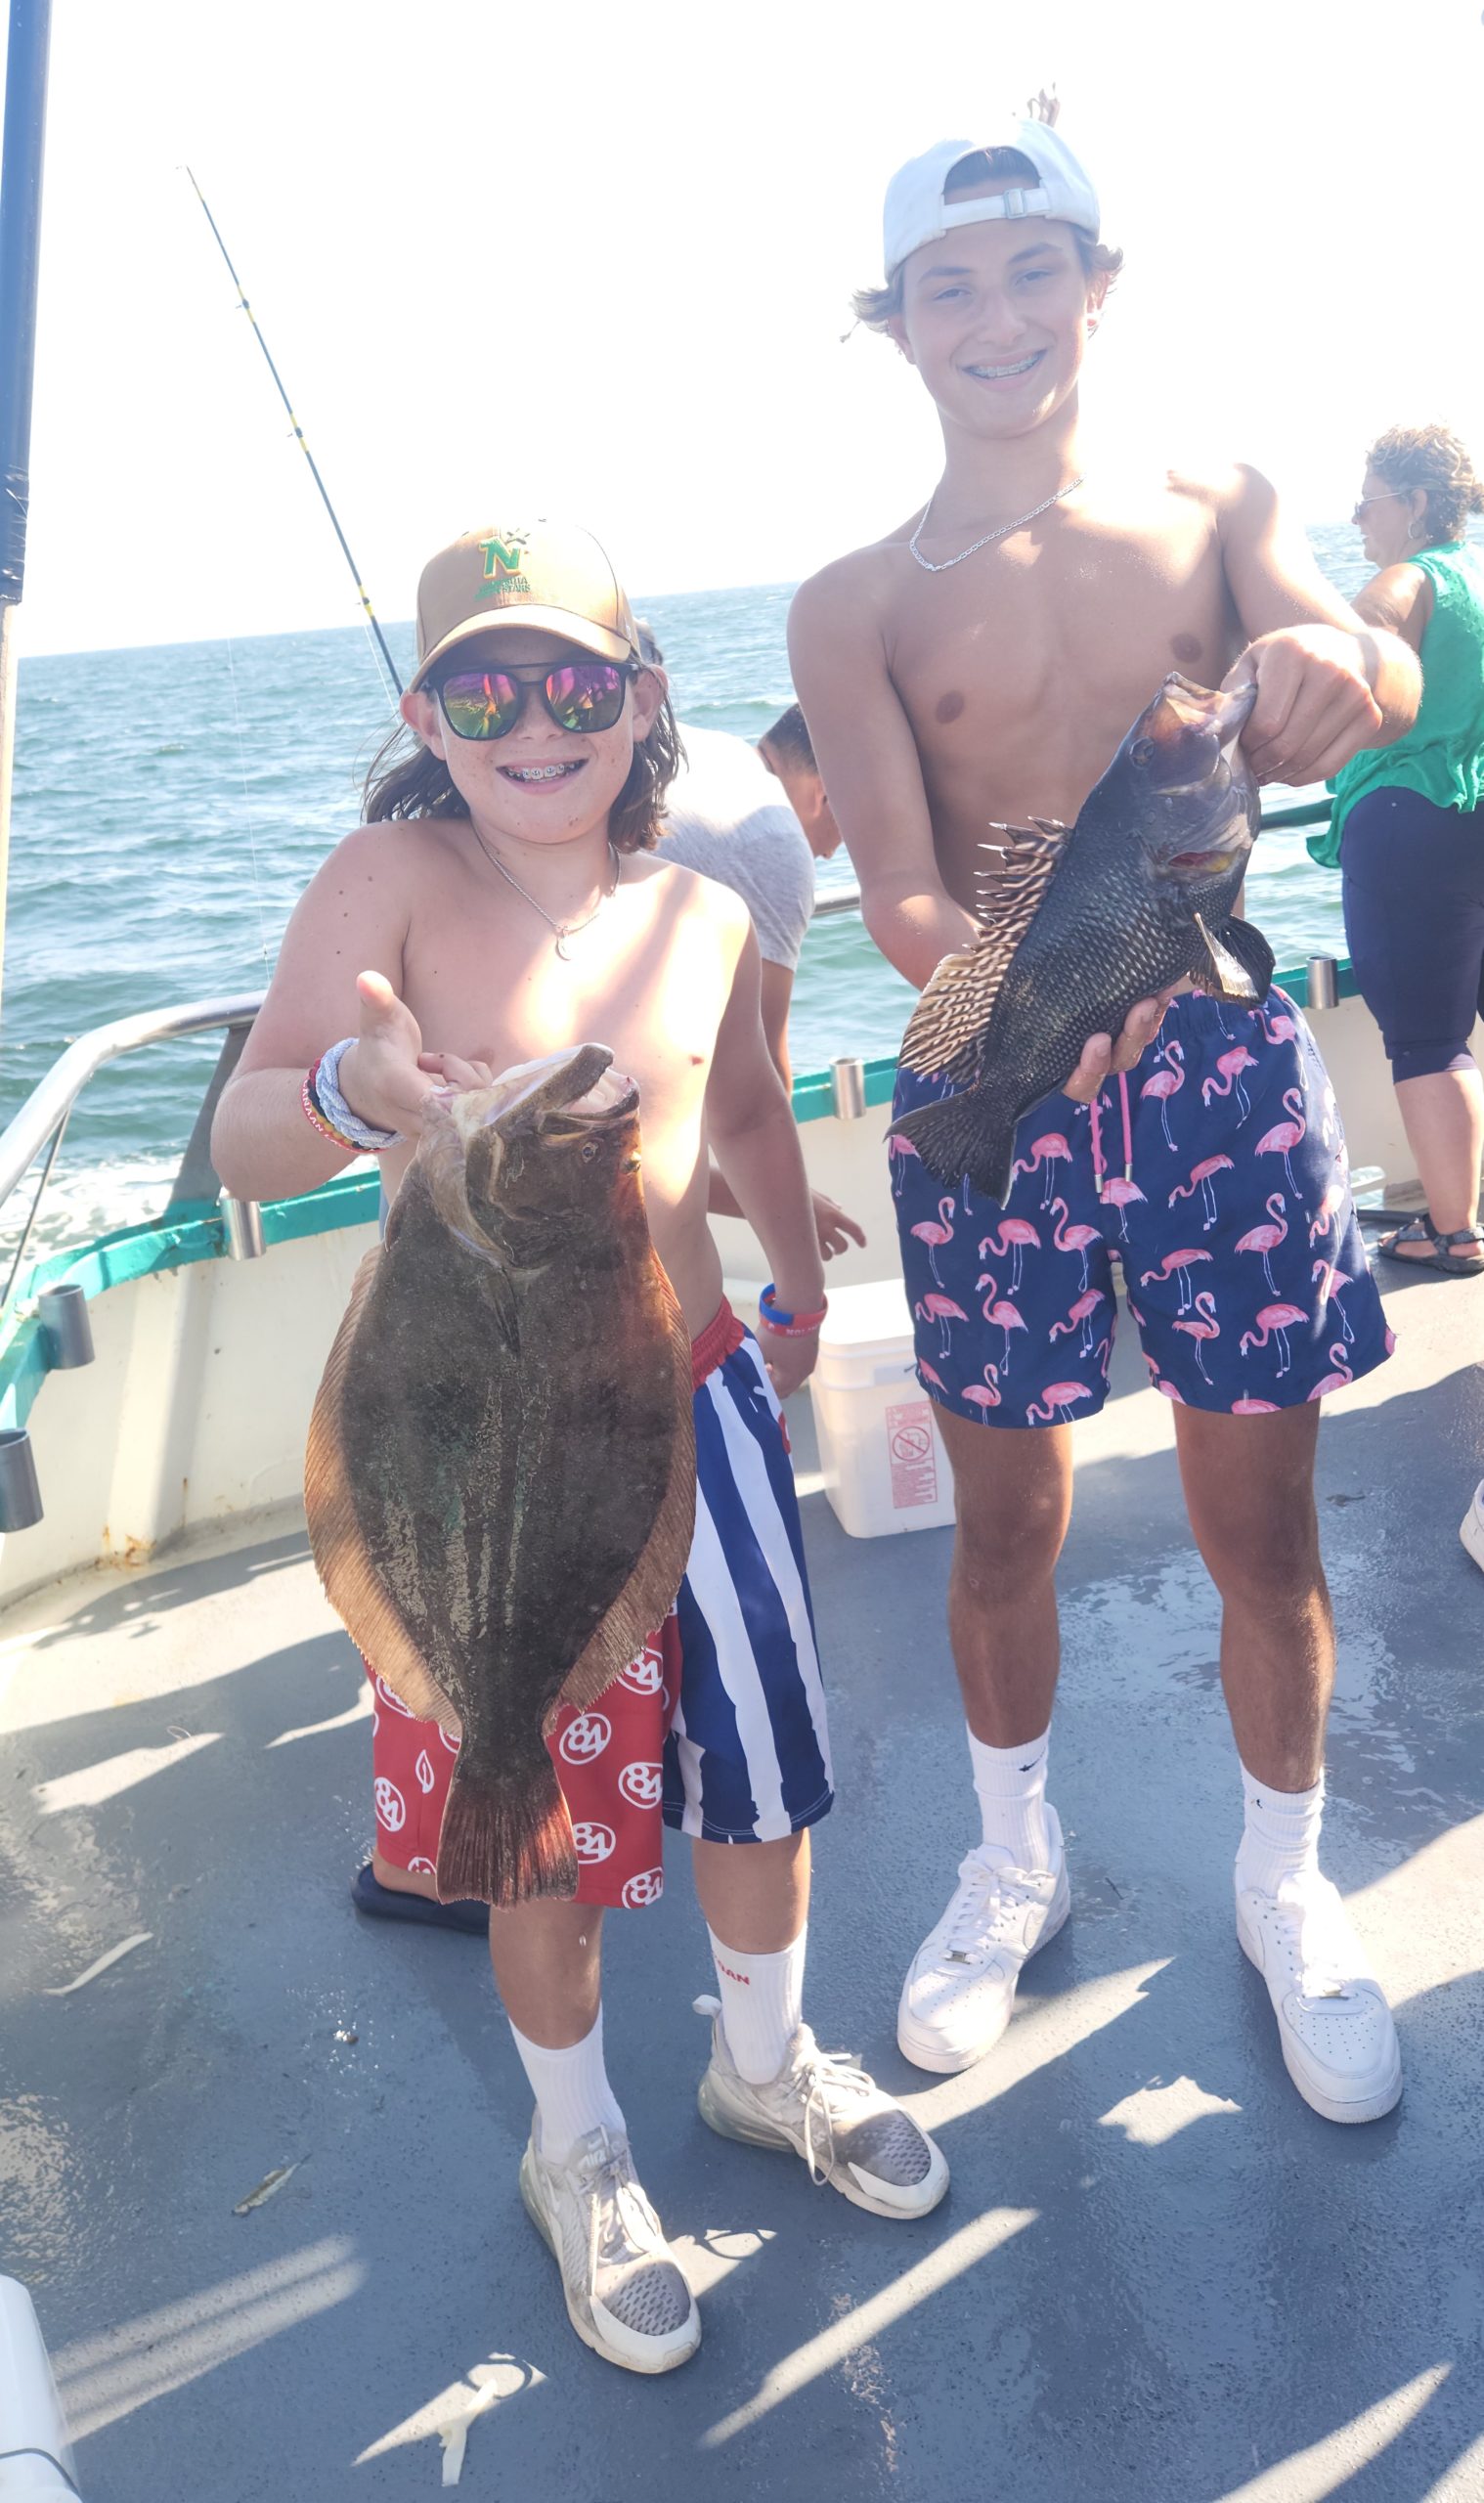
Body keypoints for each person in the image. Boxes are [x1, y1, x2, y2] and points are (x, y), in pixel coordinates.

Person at [212, 520, 946, 2378]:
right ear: (427, 711)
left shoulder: (704, 910)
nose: (533, 726)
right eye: (486, 688)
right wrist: (344, 1089)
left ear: (640, 704)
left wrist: (790, 1284)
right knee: (530, 1819)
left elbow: (753, 1119)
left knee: (761, 1777)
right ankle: (578, 2153)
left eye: (575, 687)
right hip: (472, 1442)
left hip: (692, 1394)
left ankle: (759, 2064)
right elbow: (243, 1139)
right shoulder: (388, 876)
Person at [789, 115, 1420, 2127]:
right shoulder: (853, 597)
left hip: (1227, 1053)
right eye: (951, 289)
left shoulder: (1214, 499)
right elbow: (894, 880)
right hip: (996, 1057)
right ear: (897, 329)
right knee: (1001, 1521)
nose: (999, 318)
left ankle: (1284, 1885)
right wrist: (1022, 997)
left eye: (1032, 269)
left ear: (1099, 283)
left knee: (1262, 1528)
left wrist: (1340, 655)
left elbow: (1374, 664)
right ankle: (1010, 1862)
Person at [1307, 424, 1484, 1276]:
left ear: (1414, 504)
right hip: (1476, 810)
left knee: (1427, 1039)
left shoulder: (1410, 577)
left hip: (1410, 819)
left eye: (1368, 501)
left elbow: (1348, 649)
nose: (1356, 520)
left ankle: (1451, 1232)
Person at [639, 625, 862, 1256]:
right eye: (851, 828)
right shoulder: (774, 840)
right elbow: (762, 1077)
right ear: (825, 794)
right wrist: (787, 1216)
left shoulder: (709, 752)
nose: (837, 849)